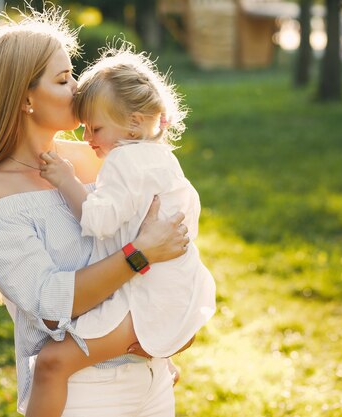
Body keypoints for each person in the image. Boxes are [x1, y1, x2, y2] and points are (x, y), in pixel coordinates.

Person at [0, 5, 193, 416]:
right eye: (62, 80)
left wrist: (173, 327)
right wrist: (139, 255)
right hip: (85, 392)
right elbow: (51, 305)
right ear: (25, 97)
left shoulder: (103, 157)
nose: (77, 89)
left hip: (153, 378)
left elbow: (173, 229)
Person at [25, 46, 217, 417]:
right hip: (175, 286)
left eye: (94, 128)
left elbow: (98, 219)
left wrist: (67, 180)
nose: (88, 138)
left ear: (133, 123)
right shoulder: (159, 158)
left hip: (147, 293)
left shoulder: (124, 159)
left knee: (52, 363)